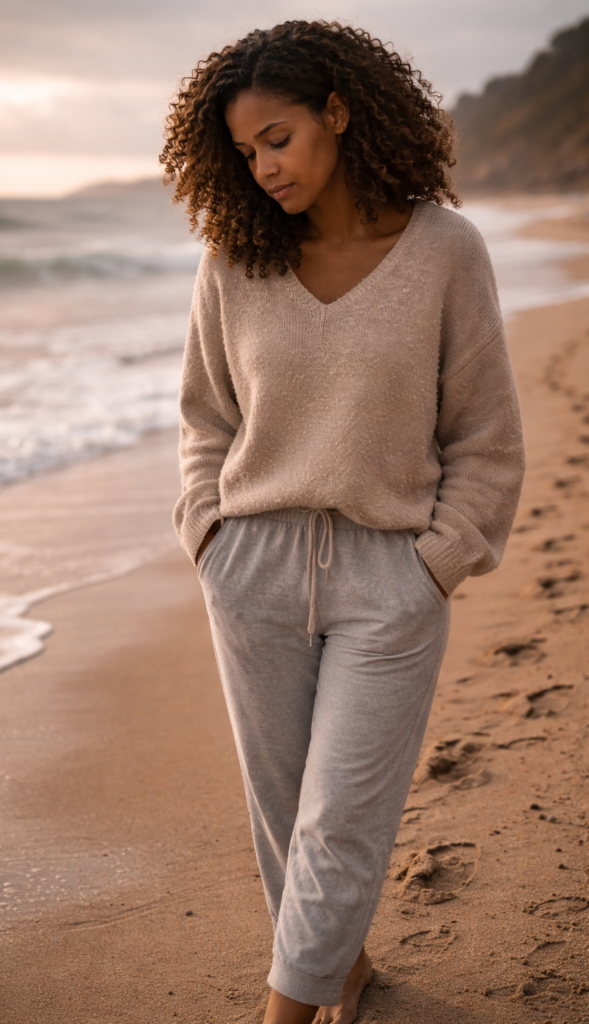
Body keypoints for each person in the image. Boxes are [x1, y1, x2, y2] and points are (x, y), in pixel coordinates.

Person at [161, 20, 525, 1024]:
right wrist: (208, 536)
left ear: (337, 111)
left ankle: (283, 1013)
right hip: (253, 565)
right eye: (243, 152)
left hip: (388, 574)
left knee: (339, 818)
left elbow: (486, 437)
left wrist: (434, 563)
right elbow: (205, 418)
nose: (261, 166)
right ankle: (343, 973)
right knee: (284, 818)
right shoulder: (231, 259)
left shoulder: (444, 250)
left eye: (275, 137)